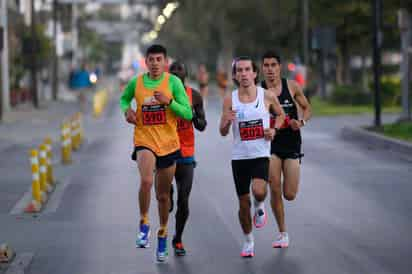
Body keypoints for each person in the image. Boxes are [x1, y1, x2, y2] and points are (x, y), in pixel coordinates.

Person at [119, 44, 192, 262]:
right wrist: (127, 110)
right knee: (146, 181)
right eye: (151, 59)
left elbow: (187, 113)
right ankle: (143, 222)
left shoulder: (173, 83)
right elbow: (124, 98)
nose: (155, 63)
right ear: (146, 62)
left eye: (159, 59)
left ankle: (162, 232)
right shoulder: (137, 82)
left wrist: (168, 102)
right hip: (144, 139)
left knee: (162, 196)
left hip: (169, 144)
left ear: (165, 62)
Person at [219, 56, 285, 257]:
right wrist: (227, 122)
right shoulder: (230, 99)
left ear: (255, 73)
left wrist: (274, 130)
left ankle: (260, 204)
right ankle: (248, 241)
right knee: (243, 203)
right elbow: (222, 131)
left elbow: (281, 115)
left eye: (247, 69)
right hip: (239, 158)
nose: (244, 73)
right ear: (235, 76)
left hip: (260, 154)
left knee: (259, 191)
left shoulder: (266, 96)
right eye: (239, 70)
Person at [260, 50, 312, 248]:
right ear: (262, 68)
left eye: (273, 65)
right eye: (266, 65)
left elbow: (307, 108)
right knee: (273, 185)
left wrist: (301, 122)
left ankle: (278, 210)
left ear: (279, 67)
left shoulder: (291, 86)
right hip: (269, 144)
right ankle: (283, 233)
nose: (270, 69)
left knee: (289, 194)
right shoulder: (259, 90)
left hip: (291, 144)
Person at [168, 61, 207, 256]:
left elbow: (202, 125)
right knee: (167, 200)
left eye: (179, 69)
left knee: (184, 200)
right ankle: (168, 194)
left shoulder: (195, 96)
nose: (176, 72)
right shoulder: (161, 96)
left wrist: (192, 115)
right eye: (172, 70)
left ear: (186, 74)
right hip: (165, 152)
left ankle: (178, 239)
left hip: (186, 154)